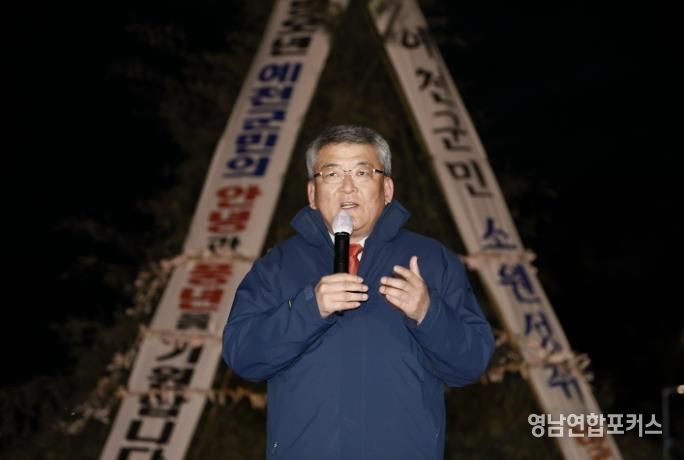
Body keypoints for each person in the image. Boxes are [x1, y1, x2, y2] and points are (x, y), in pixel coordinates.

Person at [222, 125, 494, 460]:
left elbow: (471, 362)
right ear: (312, 193)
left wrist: (429, 312)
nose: (347, 186)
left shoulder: (432, 261)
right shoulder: (277, 266)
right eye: (332, 174)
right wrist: (308, 308)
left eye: (363, 172)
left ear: (387, 189)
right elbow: (243, 356)